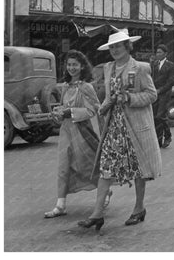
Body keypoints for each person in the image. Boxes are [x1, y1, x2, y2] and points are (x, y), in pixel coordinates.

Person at [78, 30, 161, 231]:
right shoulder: (108, 68)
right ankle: (97, 214)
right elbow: (109, 95)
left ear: (127, 47)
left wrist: (131, 99)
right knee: (106, 167)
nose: (114, 50)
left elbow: (152, 95)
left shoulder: (140, 68)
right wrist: (102, 107)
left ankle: (139, 207)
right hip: (114, 127)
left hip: (135, 126)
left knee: (139, 168)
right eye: (112, 47)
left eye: (118, 46)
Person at [44, 50, 104, 218]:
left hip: (83, 132)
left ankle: (105, 192)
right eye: (69, 64)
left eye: (75, 65)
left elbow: (94, 110)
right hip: (66, 130)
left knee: (88, 165)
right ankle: (60, 205)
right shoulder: (64, 86)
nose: (71, 68)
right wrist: (57, 114)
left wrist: (71, 111)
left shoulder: (87, 87)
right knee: (63, 166)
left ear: (82, 66)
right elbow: (62, 110)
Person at [152, 44, 174, 148]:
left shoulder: (170, 65)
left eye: (160, 52)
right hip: (155, 94)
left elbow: (171, 81)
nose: (158, 54)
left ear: (165, 54)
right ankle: (158, 140)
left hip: (165, 93)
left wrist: (161, 90)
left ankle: (168, 136)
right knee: (155, 118)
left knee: (160, 116)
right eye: (157, 52)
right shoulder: (153, 64)